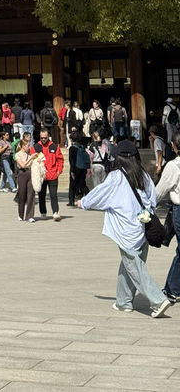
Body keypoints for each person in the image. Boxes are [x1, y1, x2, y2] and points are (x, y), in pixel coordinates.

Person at [78, 139, 171, 317]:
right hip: (143, 227)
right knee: (130, 265)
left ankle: (158, 300)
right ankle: (123, 301)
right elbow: (153, 198)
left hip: (126, 229)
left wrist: (83, 202)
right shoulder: (143, 174)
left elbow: (100, 193)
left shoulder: (116, 176)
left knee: (135, 267)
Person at [154, 130, 180, 304]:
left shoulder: (173, 166)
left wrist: (147, 205)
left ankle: (172, 289)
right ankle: (172, 289)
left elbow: (160, 191)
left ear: (173, 146)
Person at [32, 128, 63, 220]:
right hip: (41, 175)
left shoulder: (54, 146)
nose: (43, 139)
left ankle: (55, 212)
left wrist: (59, 171)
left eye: (45, 138)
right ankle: (43, 212)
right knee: (41, 195)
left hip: (53, 174)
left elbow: (60, 159)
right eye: (42, 138)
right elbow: (32, 160)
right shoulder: (35, 147)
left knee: (53, 195)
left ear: (48, 136)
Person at [15, 133, 38, 222]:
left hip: (30, 173)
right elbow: (23, 165)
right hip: (22, 174)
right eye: (28, 145)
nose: (29, 147)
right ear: (23, 146)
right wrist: (30, 158)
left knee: (31, 194)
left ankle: (30, 216)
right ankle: (21, 214)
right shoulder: (18, 155)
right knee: (22, 194)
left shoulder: (29, 155)